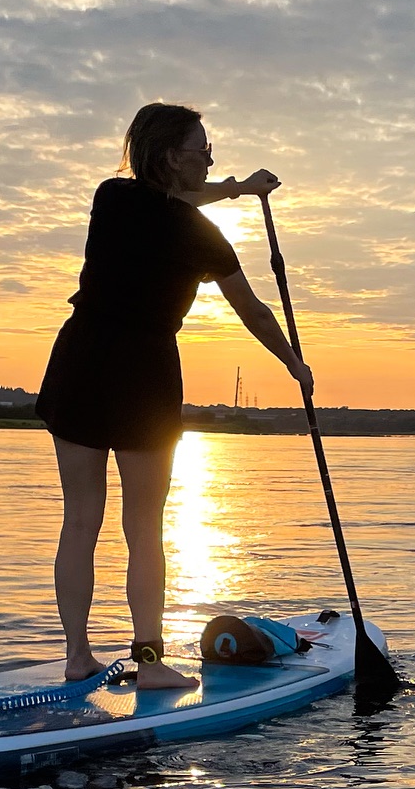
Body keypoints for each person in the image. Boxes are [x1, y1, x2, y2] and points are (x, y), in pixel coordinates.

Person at [36, 101, 313, 687]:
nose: (211, 158)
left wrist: (235, 188)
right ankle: (150, 664)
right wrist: (295, 363)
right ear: (170, 156)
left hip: (80, 358)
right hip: (142, 373)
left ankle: (77, 657)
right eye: (202, 149)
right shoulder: (200, 235)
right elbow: (254, 313)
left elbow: (169, 199)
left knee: (80, 520)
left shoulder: (110, 199)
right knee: (143, 527)